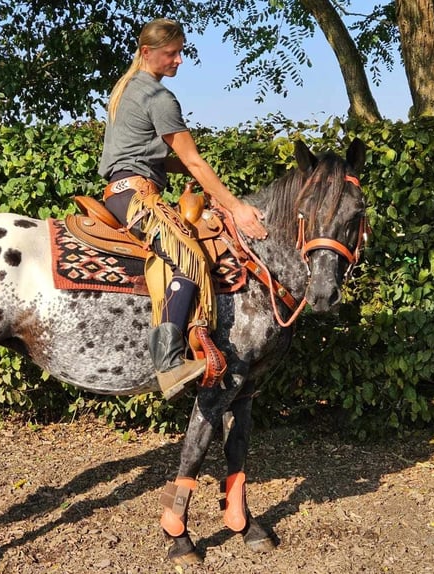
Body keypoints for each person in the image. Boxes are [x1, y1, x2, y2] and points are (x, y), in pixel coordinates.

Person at [98, 18, 268, 400]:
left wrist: (189, 169)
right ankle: (169, 364)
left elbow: (161, 157)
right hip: (136, 196)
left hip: (121, 191)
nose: (178, 61)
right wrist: (237, 207)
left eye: (180, 53)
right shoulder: (158, 98)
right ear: (147, 53)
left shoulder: (125, 89)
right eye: (171, 54)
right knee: (189, 259)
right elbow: (194, 163)